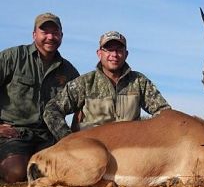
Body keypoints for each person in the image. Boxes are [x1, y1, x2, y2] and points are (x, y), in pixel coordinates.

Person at [43, 30, 171, 141]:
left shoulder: (139, 81)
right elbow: (51, 110)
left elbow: (165, 114)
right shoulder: (85, 83)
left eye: (119, 50)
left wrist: (148, 137)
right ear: (99, 53)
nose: (114, 55)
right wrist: (68, 140)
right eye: (109, 49)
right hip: (91, 154)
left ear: (126, 54)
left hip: (130, 154)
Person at [0, 12, 80, 183]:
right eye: (45, 32)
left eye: (55, 32)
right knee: (16, 173)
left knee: (65, 170)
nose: (50, 37)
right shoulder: (12, 57)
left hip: (49, 137)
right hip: (14, 134)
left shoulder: (69, 71)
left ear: (61, 36)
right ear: (34, 34)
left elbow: (82, 106)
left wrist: (75, 138)